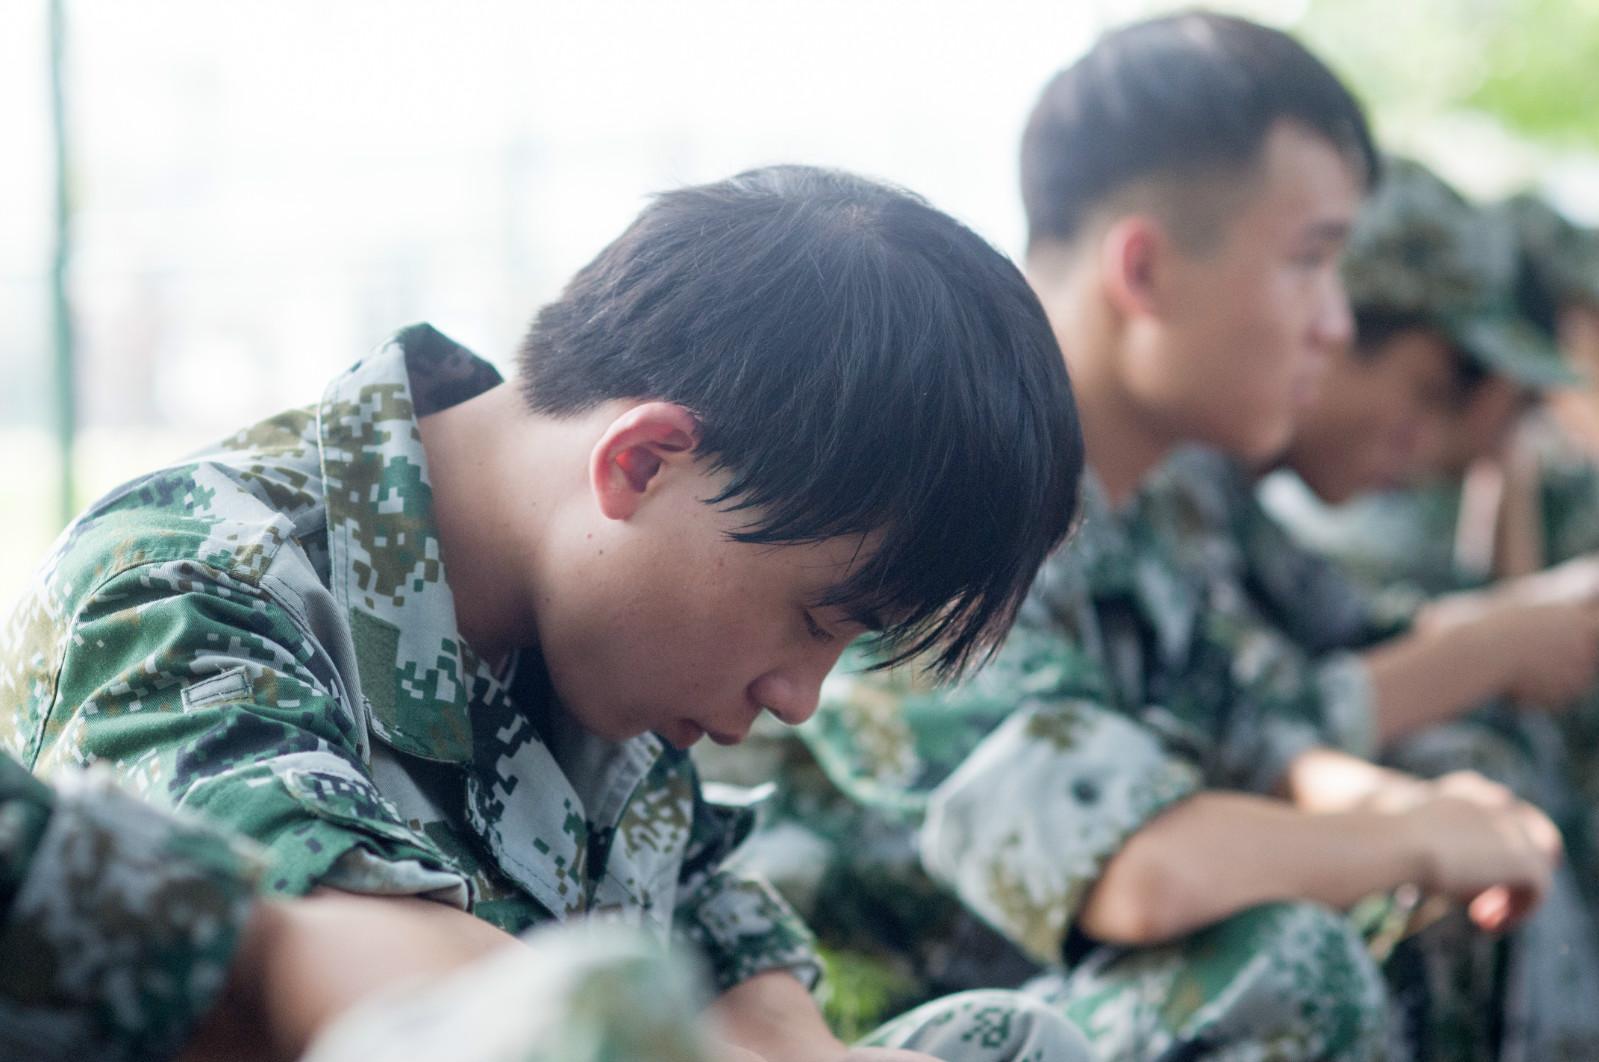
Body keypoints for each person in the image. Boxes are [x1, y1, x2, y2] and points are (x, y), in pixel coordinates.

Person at [0, 165, 1093, 1062]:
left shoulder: (595, 627)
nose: (798, 699)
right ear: (643, 461)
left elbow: (726, 949)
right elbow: (385, 1000)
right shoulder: (188, 590)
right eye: (814, 620)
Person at [750, 14, 1565, 1059]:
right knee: (1277, 964)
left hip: (1061, 987)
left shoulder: (1157, 491)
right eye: (1309, 262)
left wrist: (1430, 813)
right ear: (1144, 271)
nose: (1334, 323)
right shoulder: (937, 486)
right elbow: (1134, 870)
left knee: (1434, 844)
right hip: (894, 1023)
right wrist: (1412, 832)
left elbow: (1259, 735)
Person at [1146, 157, 1599, 1059]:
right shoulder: (1155, 483)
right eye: (1429, 388)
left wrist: (1520, 624)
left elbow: (1360, 637)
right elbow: (1249, 730)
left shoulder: (1224, 501)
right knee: (1456, 782)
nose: (1435, 435)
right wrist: (1497, 644)